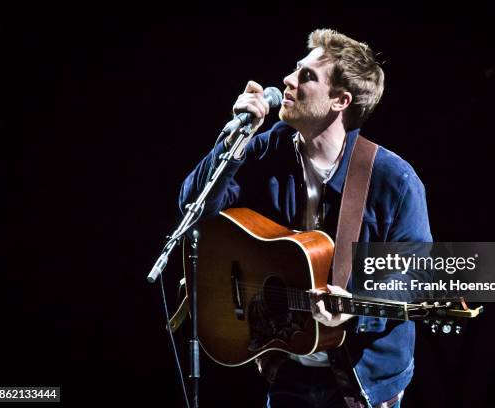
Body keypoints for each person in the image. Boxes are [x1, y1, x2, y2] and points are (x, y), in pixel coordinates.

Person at [179, 29, 432, 408]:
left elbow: (417, 273)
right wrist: (233, 140)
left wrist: (352, 305)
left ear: (340, 101)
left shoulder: (393, 179)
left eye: (307, 76)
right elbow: (194, 207)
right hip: (288, 366)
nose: (287, 81)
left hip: (363, 378)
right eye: (295, 70)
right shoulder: (266, 149)